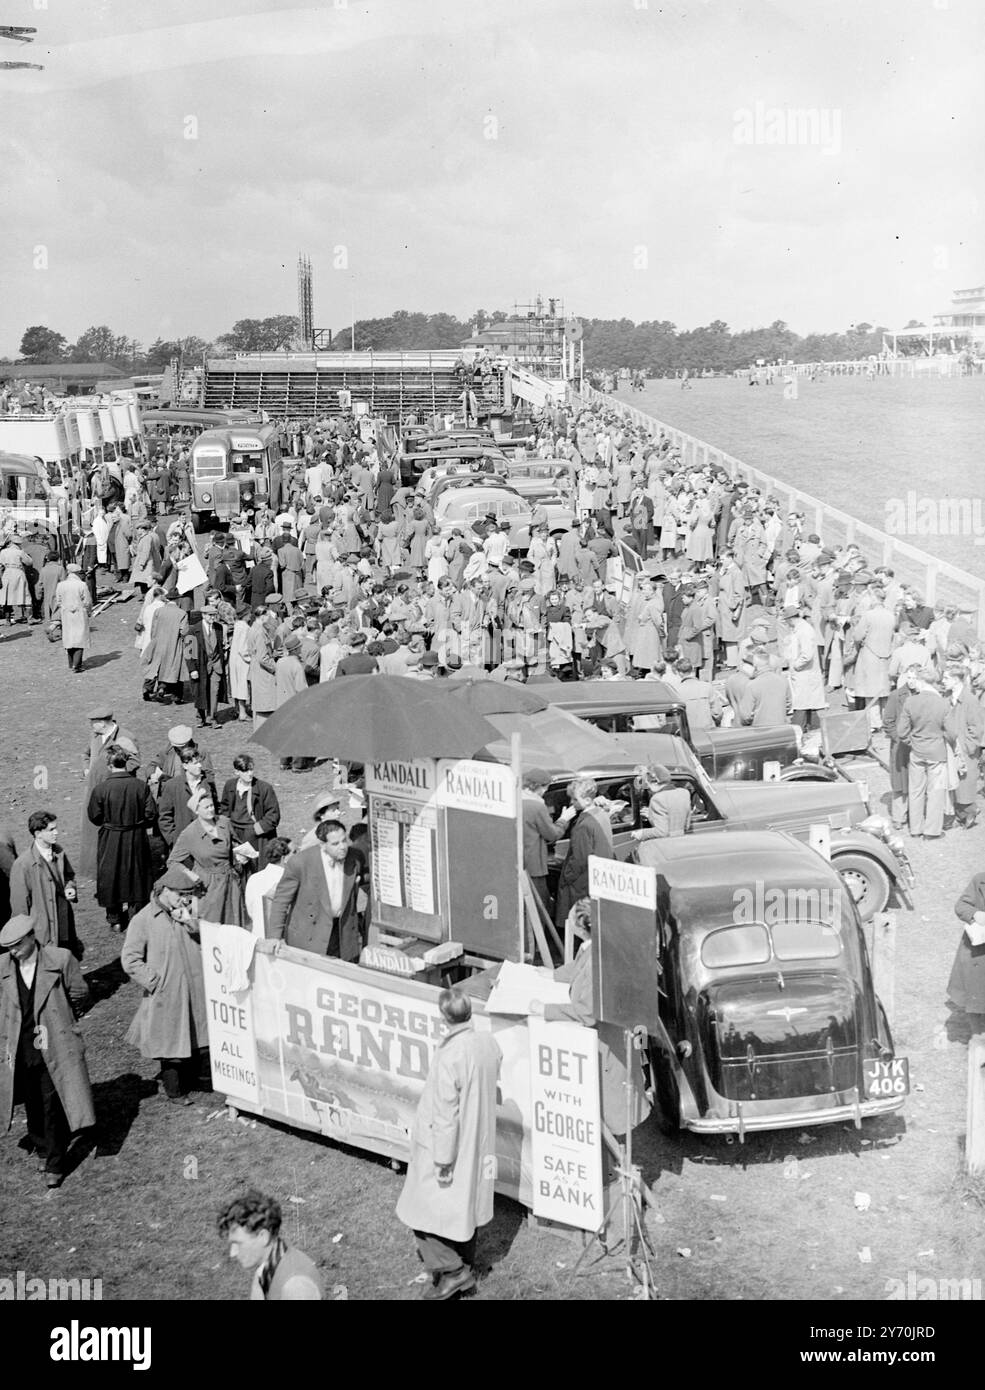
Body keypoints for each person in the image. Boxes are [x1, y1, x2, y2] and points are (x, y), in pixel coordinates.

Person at [395, 988, 501, 1301]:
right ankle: (465, 1266)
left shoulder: (449, 1055)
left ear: (444, 1017)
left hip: (451, 1143)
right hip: (478, 1138)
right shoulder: (487, 1043)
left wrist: (442, 1159)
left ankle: (454, 1271)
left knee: (420, 1208)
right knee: (466, 1204)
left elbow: (444, 1113)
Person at [529, 898, 650, 1138]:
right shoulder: (598, 946)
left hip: (607, 1043)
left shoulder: (600, 958)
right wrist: (552, 975)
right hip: (612, 1037)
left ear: (581, 928)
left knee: (607, 1106)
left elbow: (586, 1012)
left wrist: (545, 1009)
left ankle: (613, 1160)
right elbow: (578, 969)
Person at [0, 914, 95, 1188]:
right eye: (9, 948)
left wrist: (64, 1021)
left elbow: (79, 992)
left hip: (54, 1041)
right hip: (20, 1044)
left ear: (32, 937)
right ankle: (41, 1146)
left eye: (17, 945)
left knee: (52, 1100)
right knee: (31, 1097)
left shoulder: (60, 959)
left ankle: (55, 1162)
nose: (13, 952)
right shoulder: (4, 967)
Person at [121, 867, 210, 1104]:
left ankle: (198, 1078)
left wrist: (191, 922)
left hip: (193, 987)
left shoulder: (185, 912)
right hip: (166, 992)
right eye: (181, 895)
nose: (185, 900)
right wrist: (155, 982)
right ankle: (175, 1090)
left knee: (194, 1034)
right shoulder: (143, 920)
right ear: (165, 890)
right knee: (170, 1042)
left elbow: (207, 936)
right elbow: (130, 960)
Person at [267, 819, 368, 960]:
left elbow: (366, 878)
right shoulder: (300, 863)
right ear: (322, 845)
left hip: (342, 933)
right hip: (310, 935)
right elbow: (281, 901)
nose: (343, 847)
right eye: (335, 844)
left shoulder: (355, 857)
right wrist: (274, 937)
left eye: (344, 840)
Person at [86, 748, 158, 931]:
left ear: (109, 765)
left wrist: (110, 822)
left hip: (111, 837)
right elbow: (151, 814)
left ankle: (115, 918)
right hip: (135, 836)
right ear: (125, 763)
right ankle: (136, 916)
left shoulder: (101, 789)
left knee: (112, 875)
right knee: (136, 874)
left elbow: (94, 816)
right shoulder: (141, 786)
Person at [217, 1189, 323, 1300]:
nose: (232, 1253)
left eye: (238, 1243)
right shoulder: (268, 1265)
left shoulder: (296, 1287)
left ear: (263, 1237)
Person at [168, 786, 249, 926]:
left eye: (212, 805)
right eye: (206, 807)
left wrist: (240, 856)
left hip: (229, 882)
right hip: (206, 887)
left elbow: (235, 844)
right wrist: (188, 874)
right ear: (197, 811)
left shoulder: (224, 822)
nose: (211, 809)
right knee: (207, 926)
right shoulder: (189, 833)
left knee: (232, 925)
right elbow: (172, 862)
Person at [8, 811, 82, 958]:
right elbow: (19, 907)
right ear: (38, 833)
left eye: (56, 828)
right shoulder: (23, 865)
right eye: (51, 830)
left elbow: (69, 876)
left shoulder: (59, 852)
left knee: (66, 960)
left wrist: (70, 887)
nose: (57, 833)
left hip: (63, 922)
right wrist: (25, 936)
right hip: (42, 928)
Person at [897, 669, 954, 840]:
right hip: (936, 751)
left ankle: (915, 829)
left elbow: (901, 732)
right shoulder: (944, 703)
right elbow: (952, 732)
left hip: (917, 752)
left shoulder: (910, 701)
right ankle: (932, 831)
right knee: (936, 792)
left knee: (915, 791)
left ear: (921, 682)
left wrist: (912, 742)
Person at [554, 777, 614, 932]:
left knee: (577, 921)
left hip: (581, 881)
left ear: (587, 800)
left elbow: (579, 858)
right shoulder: (601, 813)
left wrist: (566, 876)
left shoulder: (583, 826)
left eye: (575, 799)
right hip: (596, 876)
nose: (571, 802)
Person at [520, 769, 572, 914]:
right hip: (534, 864)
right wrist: (564, 819)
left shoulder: (515, 800)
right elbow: (552, 834)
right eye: (545, 788)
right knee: (539, 905)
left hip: (518, 861)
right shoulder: (537, 807)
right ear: (538, 786)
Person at [218, 753, 282, 869]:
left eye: (251, 769)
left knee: (257, 868)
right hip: (235, 834)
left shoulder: (264, 788)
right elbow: (225, 808)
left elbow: (273, 815)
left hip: (255, 835)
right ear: (237, 772)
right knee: (238, 868)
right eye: (246, 771)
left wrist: (255, 830)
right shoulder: (230, 785)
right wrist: (226, 828)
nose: (250, 773)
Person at [947, 871, 985, 1030]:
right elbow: (961, 906)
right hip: (979, 951)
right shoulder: (980, 880)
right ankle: (978, 1035)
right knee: (975, 995)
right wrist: (975, 914)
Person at [631, 764, 692, 848]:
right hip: (682, 843)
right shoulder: (684, 793)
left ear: (655, 781)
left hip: (666, 846)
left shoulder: (657, 799)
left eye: (647, 783)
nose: (647, 787)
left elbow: (661, 832)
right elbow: (686, 825)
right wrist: (652, 815)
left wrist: (641, 834)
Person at [244, 837, 291, 937]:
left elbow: (251, 911)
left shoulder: (254, 878)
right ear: (284, 858)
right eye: (295, 852)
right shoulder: (288, 881)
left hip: (258, 936)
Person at [53, 562, 92, 672]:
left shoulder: (61, 585)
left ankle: (71, 663)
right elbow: (87, 601)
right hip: (79, 612)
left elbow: (58, 600)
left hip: (66, 613)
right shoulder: (82, 585)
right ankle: (77, 665)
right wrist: (88, 611)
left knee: (69, 637)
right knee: (80, 638)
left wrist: (65, 607)